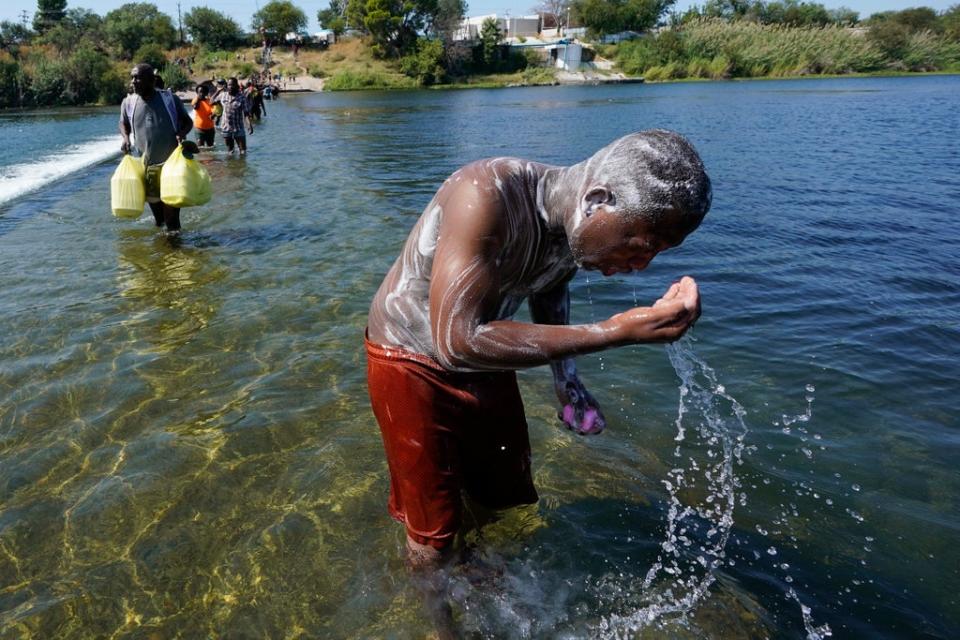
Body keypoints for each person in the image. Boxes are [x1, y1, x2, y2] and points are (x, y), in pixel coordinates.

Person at [366, 130, 711, 568]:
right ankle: (443, 625)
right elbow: (454, 342)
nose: (641, 265)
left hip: (485, 350)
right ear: (596, 200)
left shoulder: (573, 225)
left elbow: (549, 287)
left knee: (500, 495)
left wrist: (566, 379)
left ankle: (483, 575)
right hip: (410, 358)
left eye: (658, 253)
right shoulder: (485, 196)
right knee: (434, 531)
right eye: (640, 245)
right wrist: (616, 331)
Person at [119, 62, 193, 234]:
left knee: (172, 220)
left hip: (172, 167)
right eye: (132, 78)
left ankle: (175, 254)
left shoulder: (169, 99)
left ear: (151, 80)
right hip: (147, 167)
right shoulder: (128, 103)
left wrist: (181, 133)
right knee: (159, 220)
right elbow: (123, 123)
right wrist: (125, 138)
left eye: (138, 78)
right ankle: (161, 254)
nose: (133, 82)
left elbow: (188, 122)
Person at [212, 77, 253, 155]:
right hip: (226, 128)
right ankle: (230, 165)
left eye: (233, 85)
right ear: (227, 86)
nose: (230, 87)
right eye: (229, 85)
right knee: (230, 151)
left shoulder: (242, 97)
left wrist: (249, 125)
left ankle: (241, 166)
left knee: (243, 151)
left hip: (238, 128)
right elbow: (211, 102)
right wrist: (219, 90)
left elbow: (246, 113)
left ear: (236, 86)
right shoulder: (223, 95)